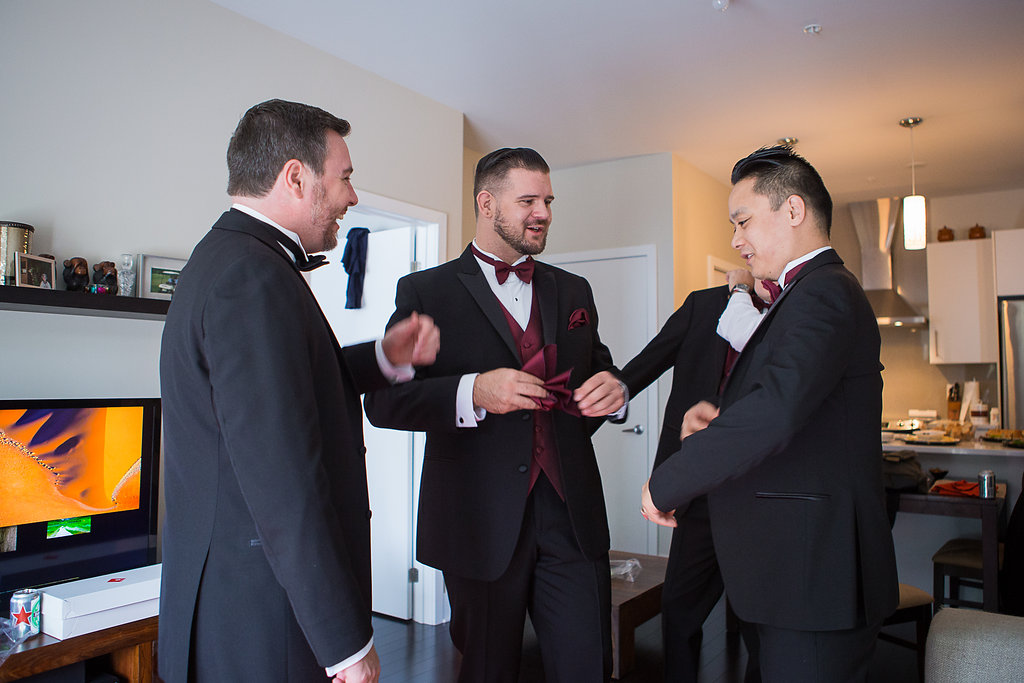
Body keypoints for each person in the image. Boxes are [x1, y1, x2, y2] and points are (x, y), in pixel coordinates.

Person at [158, 99, 440, 683]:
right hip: (264, 624)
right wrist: (344, 642)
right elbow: (281, 476)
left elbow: (290, 386)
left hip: (246, 610)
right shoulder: (251, 277)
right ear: (295, 177)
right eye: (345, 178)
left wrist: (384, 359)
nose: (352, 197)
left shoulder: (232, 261)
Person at [364, 147, 626, 682]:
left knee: (588, 666)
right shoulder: (426, 290)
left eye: (548, 200)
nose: (544, 212)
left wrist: (614, 392)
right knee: (487, 670)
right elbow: (383, 402)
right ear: (487, 203)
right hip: (477, 520)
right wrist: (473, 392)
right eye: (528, 199)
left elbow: (599, 373)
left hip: (571, 517)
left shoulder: (573, 290)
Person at [640, 145, 898, 682]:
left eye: (743, 220)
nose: (735, 240)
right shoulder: (804, 296)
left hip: (815, 575)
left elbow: (777, 410)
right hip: (798, 573)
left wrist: (667, 483)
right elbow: (791, 408)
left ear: (794, 211)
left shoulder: (823, 292)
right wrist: (720, 416)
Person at [619, 268, 763, 683]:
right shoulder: (703, 304)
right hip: (698, 489)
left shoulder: (795, 305)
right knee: (679, 609)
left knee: (760, 625)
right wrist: (599, 405)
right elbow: (643, 367)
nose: (740, 242)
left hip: (759, 495)